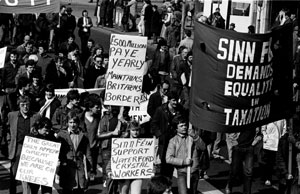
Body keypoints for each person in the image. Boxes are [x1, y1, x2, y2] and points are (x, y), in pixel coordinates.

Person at [7, 95, 40, 194]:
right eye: (23, 105)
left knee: (29, 174)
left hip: (30, 148)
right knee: (14, 174)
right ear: (19, 105)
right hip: (17, 147)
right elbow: (7, 129)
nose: (25, 107)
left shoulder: (36, 116)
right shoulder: (12, 115)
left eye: (27, 105)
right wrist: (9, 141)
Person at [166, 116, 206, 194]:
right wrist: (184, 162)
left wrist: (195, 136)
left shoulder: (192, 137)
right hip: (182, 172)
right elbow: (168, 158)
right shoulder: (173, 141)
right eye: (181, 126)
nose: (184, 127)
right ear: (176, 128)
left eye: (185, 125)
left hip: (194, 171)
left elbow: (203, 147)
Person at [56, 111, 93, 194]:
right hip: (66, 167)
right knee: (67, 190)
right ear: (67, 123)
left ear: (78, 123)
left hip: (79, 167)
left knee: (79, 190)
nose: (73, 125)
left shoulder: (83, 136)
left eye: (75, 122)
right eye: (70, 122)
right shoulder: (61, 135)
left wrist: (90, 170)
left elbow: (88, 153)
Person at [151, 91, 183, 178]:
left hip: (174, 140)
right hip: (164, 141)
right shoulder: (160, 110)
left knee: (171, 163)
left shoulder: (180, 110)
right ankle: (163, 184)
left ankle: (168, 183)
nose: (176, 102)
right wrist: (160, 134)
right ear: (169, 100)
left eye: (177, 100)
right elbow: (154, 124)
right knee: (164, 163)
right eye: (173, 100)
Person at [106, 120, 144, 194]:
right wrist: (109, 170)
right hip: (124, 174)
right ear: (129, 130)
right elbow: (115, 157)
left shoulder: (144, 143)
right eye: (133, 130)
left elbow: (147, 159)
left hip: (137, 174)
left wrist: (152, 170)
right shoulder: (122, 142)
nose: (135, 132)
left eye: (137, 130)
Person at [225, 128, 262, 194]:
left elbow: (260, 134)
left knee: (249, 172)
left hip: (249, 148)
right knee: (234, 170)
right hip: (238, 147)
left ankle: (247, 192)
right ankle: (229, 185)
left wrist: (255, 142)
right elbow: (230, 130)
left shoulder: (255, 119)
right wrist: (234, 142)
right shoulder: (240, 118)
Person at [27, 117, 57, 194]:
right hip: (33, 171)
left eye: (48, 130)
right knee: (33, 190)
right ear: (39, 128)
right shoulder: (31, 138)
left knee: (47, 191)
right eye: (45, 130)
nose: (47, 133)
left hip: (47, 171)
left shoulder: (52, 137)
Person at [84, 93, 101, 181]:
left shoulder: (98, 118)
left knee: (93, 164)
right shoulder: (81, 117)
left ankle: (92, 174)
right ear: (90, 107)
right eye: (96, 107)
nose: (98, 109)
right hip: (84, 146)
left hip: (94, 145)